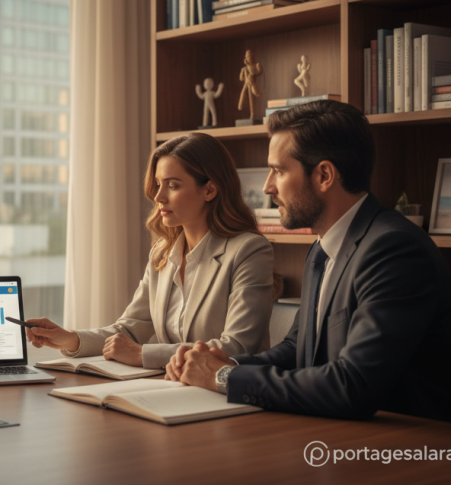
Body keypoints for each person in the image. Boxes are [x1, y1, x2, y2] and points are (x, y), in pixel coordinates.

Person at [165, 100, 451, 425]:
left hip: (426, 452)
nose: (267, 187)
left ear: (325, 175)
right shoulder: (323, 246)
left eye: (279, 170)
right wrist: (224, 363)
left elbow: (352, 386)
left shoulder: (394, 250)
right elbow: (297, 349)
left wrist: (224, 378)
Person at [25, 133, 274, 370]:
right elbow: (130, 329)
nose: (158, 197)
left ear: (209, 190)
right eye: (157, 184)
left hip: (225, 395)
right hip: (172, 386)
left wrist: (142, 354)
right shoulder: (162, 254)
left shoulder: (249, 251)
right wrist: (70, 339)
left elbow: (238, 346)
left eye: (172, 186)